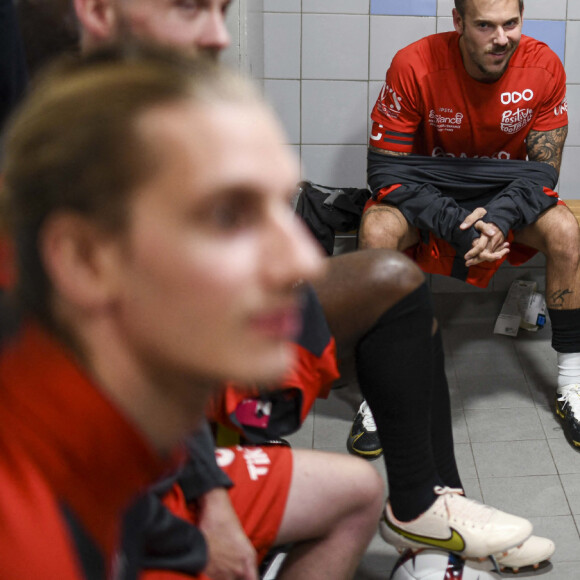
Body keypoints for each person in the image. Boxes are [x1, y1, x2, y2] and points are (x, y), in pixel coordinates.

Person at [67, 0, 553, 575]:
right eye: (195, 9)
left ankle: (426, 508)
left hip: (194, 382)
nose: (220, 35)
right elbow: (119, 379)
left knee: (393, 285)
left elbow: (539, 174)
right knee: (379, 252)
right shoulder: (71, 159)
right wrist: (211, 493)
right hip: (136, 474)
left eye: (224, 11)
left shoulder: (160, 109)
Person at [0, 47, 387, 578]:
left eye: (280, 206)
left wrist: (206, 513)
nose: (299, 259)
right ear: (85, 259)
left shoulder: (114, 423)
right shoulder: (34, 540)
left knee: (359, 487)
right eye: (228, 216)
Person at [360, 0, 580, 458]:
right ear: (458, 22)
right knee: (376, 229)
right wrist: (462, 231)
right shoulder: (414, 64)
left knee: (565, 230)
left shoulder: (544, 65)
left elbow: (543, 174)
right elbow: (385, 172)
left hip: (507, 194)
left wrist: (499, 220)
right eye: (485, 25)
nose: (501, 38)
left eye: (511, 24)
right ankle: (382, 393)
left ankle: (572, 386)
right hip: (427, 193)